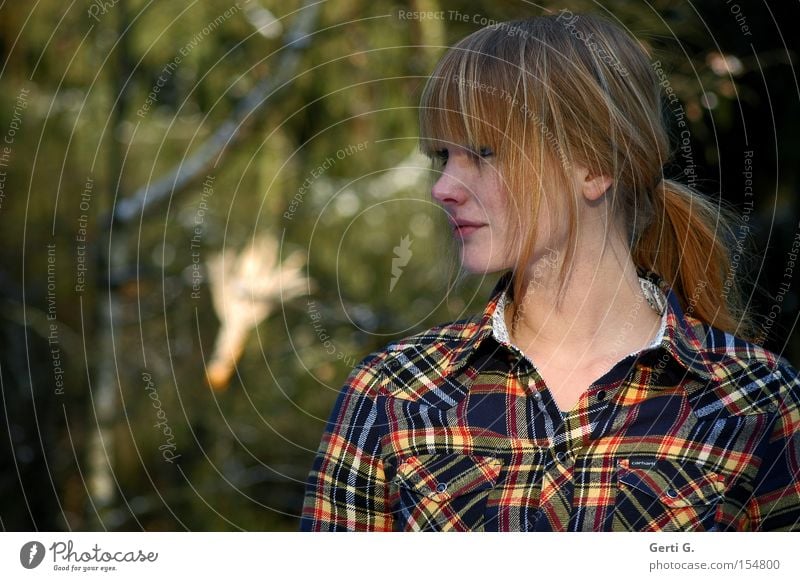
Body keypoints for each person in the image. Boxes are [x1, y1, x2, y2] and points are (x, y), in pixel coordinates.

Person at [300, 12, 800, 531]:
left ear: (594, 166)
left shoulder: (757, 403)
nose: (443, 186)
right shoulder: (393, 392)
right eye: (443, 156)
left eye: (483, 152)